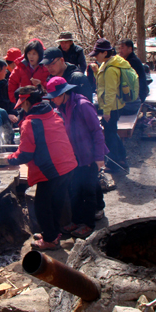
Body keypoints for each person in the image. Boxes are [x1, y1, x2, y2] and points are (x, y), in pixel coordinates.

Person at [1, 85, 77, 250]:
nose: (21, 107)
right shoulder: (54, 113)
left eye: (22, 103)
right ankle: (53, 233)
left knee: (42, 206)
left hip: (51, 169)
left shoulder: (30, 123)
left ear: (27, 102)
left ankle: (50, 240)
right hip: (68, 164)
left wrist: (8, 159)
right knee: (56, 202)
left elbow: (25, 154)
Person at [45, 77, 108, 238]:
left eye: (54, 97)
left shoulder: (82, 105)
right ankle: (77, 220)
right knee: (75, 189)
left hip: (90, 156)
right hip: (75, 156)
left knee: (88, 190)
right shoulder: (63, 107)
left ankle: (88, 224)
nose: (53, 101)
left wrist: (99, 156)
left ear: (64, 93)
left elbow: (97, 131)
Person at [89, 38, 130, 172]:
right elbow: (103, 83)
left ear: (105, 53)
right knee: (112, 133)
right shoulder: (107, 64)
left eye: (97, 54)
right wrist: (96, 72)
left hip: (112, 107)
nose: (95, 56)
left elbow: (110, 91)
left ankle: (114, 164)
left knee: (110, 135)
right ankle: (122, 158)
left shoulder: (111, 68)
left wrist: (106, 111)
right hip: (113, 106)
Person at [8, 39, 50, 104]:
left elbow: (52, 84)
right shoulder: (21, 67)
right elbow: (12, 83)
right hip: (25, 104)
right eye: (29, 53)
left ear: (39, 55)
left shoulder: (46, 67)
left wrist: (41, 84)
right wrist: (17, 101)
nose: (31, 56)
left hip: (42, 103)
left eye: (34, 54)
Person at [118, 39, 150, 105]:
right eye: (119, 48)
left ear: (130, 49)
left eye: (122, 48)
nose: (120, 51)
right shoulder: (128, 59)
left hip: (139, 96)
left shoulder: (132, 61)